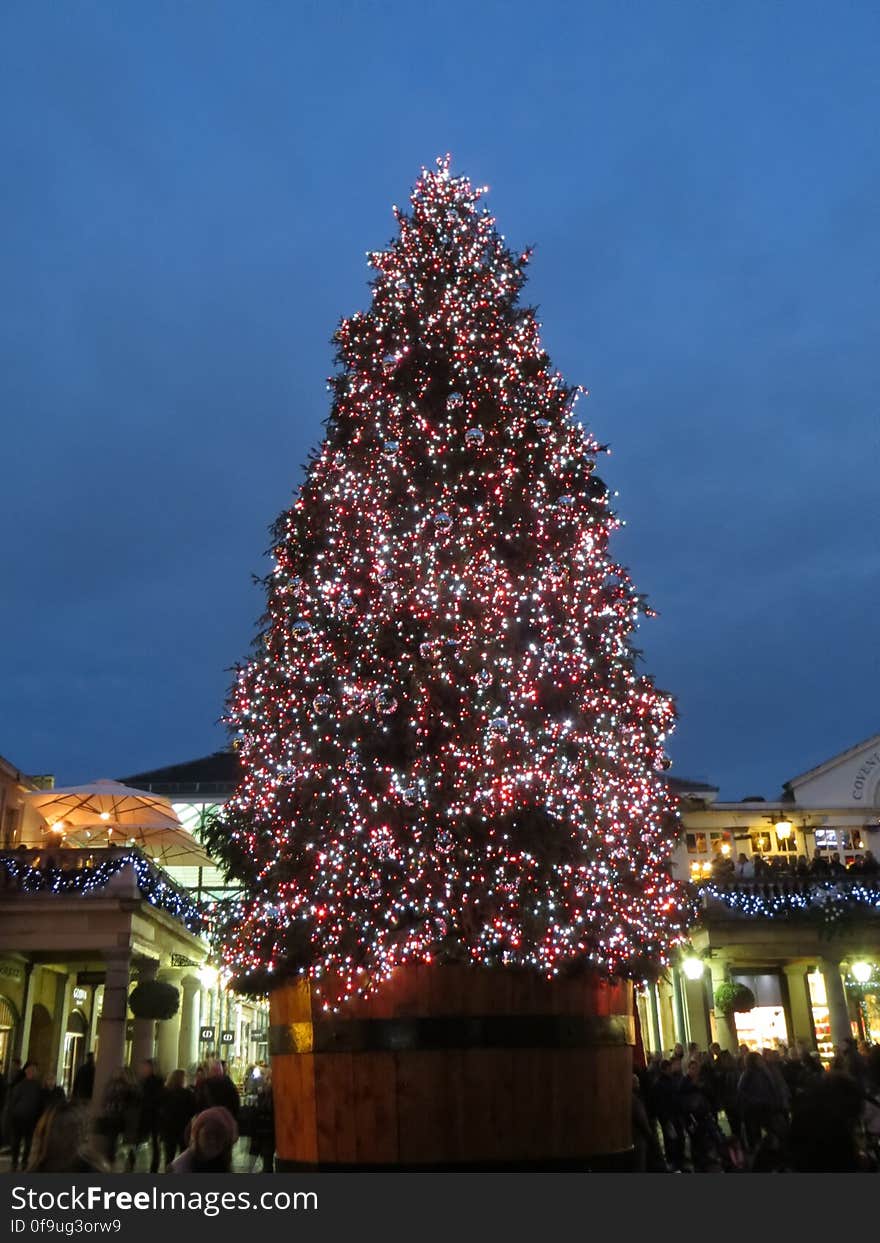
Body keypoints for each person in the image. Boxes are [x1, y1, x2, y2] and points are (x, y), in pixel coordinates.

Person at [26, 1102, 107, 1173]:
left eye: (80, 1128)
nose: (79, 1135)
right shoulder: (39, 1167)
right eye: (65, 1129)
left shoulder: (92, 1169)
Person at [168, 1106, 238, 1174]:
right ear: (196, 1136)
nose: (212, 1141)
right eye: (207, 1135)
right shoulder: (179, 1168)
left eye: (218, 1136)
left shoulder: (222, 1164)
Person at [94, 1067, 141, 1168]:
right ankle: (124, 1162)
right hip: (122, 1117)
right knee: (125, 1142)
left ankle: (111, 1162)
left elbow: (105, 1100)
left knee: (112, 1141)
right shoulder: (131, 1087)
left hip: (114, 1115)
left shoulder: (113, 1085)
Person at [8, 1062, 44, 1171]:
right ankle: (15, 1162)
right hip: (19, 1117)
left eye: (34, 1071)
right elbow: (13, 1101)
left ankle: (23, 1162)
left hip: (30, 1118)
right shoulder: (20, 1085)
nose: (32, 1073)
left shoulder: (38, 1086)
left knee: (28, 1142)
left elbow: (39, 1102)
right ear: (26, 1072)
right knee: (17, 1141)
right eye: (30, 1070)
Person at [159, 1070, 197, 1170]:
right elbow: (193, 1110)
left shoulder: (164, 1093)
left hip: (168, 1128)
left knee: (169, 1155)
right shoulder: (187, 1094)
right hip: (183, 1128)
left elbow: (160, 1110)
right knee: (183, 1155)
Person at [132, 1059, 164, 1173]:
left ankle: (150, 1167)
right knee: (141, 1141)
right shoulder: (144, 1081)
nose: (143, 1070)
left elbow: (154, 1099)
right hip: (148, 1115)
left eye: (146, 1067)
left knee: (152, 1143)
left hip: (151, 1115)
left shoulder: (152, 1082)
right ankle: (133, 1163)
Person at [249, 1072, 276, 1173]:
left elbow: (264, 1110)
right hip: (264, 1130)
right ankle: (266, 1168)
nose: (265, 1081)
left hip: (268, 1130)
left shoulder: (271, 1095)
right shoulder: (265, 1094)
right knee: (266, 1153)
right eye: (266, 1079)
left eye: (268, 1079)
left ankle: (267, 1169)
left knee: (267, 1152)